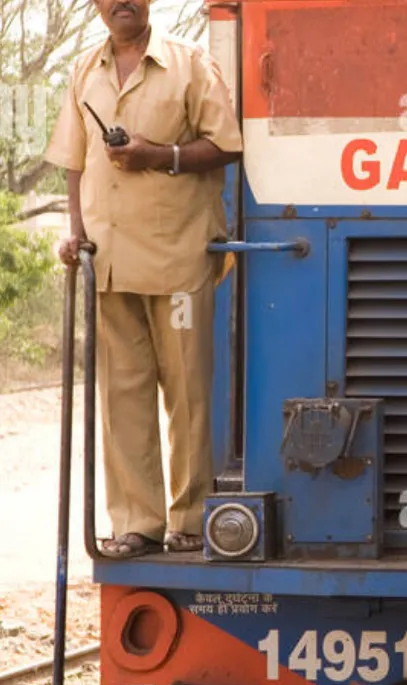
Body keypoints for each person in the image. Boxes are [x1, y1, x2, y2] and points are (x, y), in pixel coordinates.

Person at [44, 0, 243, 558]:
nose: (121, 2)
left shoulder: (190, 63)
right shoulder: (86, 69)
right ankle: (137, 523)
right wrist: (76, 232)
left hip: (178, 255)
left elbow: (226, 145)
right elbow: (75, 160)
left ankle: (189, 518)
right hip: (108, 260)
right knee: (122, 399)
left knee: (187, 393)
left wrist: (158, 154)